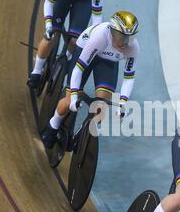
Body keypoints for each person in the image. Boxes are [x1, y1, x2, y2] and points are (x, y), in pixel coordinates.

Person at [41, 10, 139, 148]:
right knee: (69, 100)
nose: (125, 42)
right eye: (120, 36)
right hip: (85, 49)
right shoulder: (100, 37)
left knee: (101, 109)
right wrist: (74, 96)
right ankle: (53, 126)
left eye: (130, 37)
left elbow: (129, 78)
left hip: (108, 61)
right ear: (112, 32)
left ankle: (82, 136)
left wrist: (123, 102)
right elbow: (78, 69)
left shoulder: (133, 47)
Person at [27, 0, 104, 88]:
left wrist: (93, 37)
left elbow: (97, 15)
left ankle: (66, 58)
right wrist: (48, 26)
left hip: (84, 1)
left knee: (75, 40)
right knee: (50, 36)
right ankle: (36, 71)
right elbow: (49, 2)